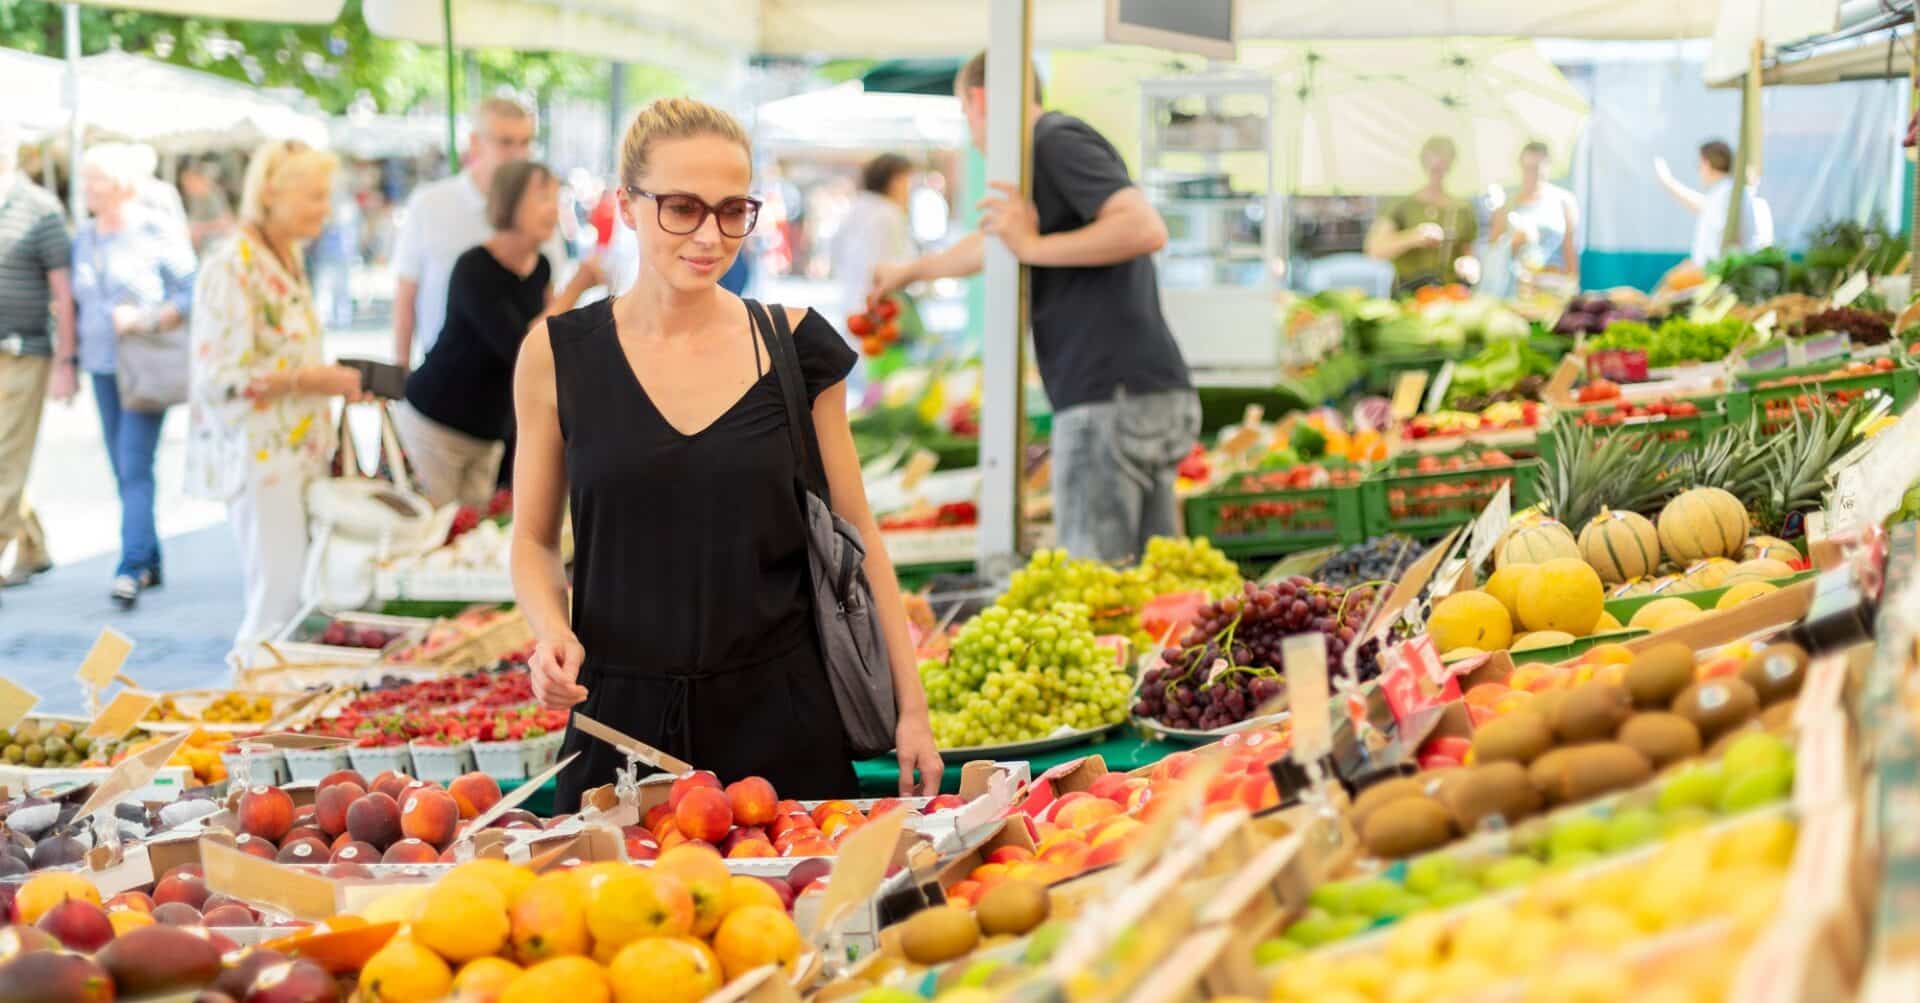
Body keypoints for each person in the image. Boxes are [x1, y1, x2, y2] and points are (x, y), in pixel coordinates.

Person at [515, 97, 942, 810]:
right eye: (681, 207)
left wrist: (913, 708)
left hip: (783, 728)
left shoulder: (797, 347)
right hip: (617, 727)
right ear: (627, 204)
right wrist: (550, 631)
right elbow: (531, 539)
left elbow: (860, 536)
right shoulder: (556, 355)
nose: (709, 236)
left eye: (732, 210)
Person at [871, 55, 1198, 563]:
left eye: (965, 112)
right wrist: (909, 272)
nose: (972, 131)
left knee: (1094, 590)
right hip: (1141, 388)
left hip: (1107, 396)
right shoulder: (1040, 154)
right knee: (1153, 588)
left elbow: (1143, 228)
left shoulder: (1052, 141)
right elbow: (997, 244)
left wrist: (1031, 248)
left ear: (979, 101)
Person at [187, 139, 368, 650]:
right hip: (261, 460)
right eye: (313, 196)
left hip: (299, 454)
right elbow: (218, 377)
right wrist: (311, 381)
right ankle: (247, 713)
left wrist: (329, 381)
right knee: (276, 604)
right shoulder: (232, 266)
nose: (324, 209)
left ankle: (281, 718)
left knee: (299, 603)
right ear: (269, 193)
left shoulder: (286, 257)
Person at [394, 161, 603, 509]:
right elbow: (526, 346)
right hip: (437, 424)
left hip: (490, 432)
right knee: (433, 539)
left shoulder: (541, 268)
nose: (554, 209)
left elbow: (553, 343)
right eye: (542, 198)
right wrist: (577, 288)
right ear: (509, 202)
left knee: (475, 543)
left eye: (556, 198)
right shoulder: (474, 268)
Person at [71, 144, 198, 609]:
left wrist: (147, 319)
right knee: (124, 469)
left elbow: (192, 292)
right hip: (103, 366)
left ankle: (130, 566)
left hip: (145, 365)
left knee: (133, 463)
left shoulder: (156, 230)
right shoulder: (84, 236)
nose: (86, 189)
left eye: (94, 180)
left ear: (121, 185)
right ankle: (149, 556)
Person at [391, 97, 567, 368]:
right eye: (506, 142)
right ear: (475, 143)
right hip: (445, 380)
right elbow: (406, 292)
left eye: (525, 143)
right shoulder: (430, 204)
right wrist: (399, 368)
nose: (519, 154)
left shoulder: (542, 215)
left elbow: (549, 295)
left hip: (512, 388)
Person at [0, 120, 75, 594]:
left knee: (7, 455)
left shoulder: (40, 209)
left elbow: (64, 294)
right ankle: (33, 545)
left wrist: (66, 363)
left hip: (24, 351)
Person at [1365, 136, 1481, 293]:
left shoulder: (1462, 209)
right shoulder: (1400, 204)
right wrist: (1413, 237)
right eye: (1434, 166)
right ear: (1423, 162)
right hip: (1409, 292)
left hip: (1450, 293)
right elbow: (1375, 250)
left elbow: (1467, 252)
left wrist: (1469, 265)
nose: (1438, 171)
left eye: (1443, 166)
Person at [832, 153, 915, 329]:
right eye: (907, 181)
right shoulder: (890, 213)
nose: (909, 189)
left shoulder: (855, 208)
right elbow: (903, 263)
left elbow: (836, 251)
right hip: (881, 307)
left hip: (852, 301)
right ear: (895, 181)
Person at [1654, 139, 1765, 266]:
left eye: (1699, 165)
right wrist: (1669, 183)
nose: (1699, 171)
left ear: (1706, 164)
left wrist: (1668, 182)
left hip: (1723, 277)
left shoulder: (1727, 194)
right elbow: (1701, 205)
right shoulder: (1726, 192)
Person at [1489, 141, 1578, 285]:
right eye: (1527, 168)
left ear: (1548, 166)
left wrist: (1573, 281)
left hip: (1553, 281)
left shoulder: (1564, 200)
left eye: (1537, 168)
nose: (1532, 174)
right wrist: (1514, 242)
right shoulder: (1506, 202)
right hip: (1517, 285)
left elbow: (1570, 248)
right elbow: (1494, 249)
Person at [181, 160, 235, 255]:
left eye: (189, 182)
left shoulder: (212, 196)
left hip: (216, 249)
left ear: (198, 179)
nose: (186, 187)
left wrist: (199, 228)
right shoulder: (196, 198)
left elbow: (226, 223)